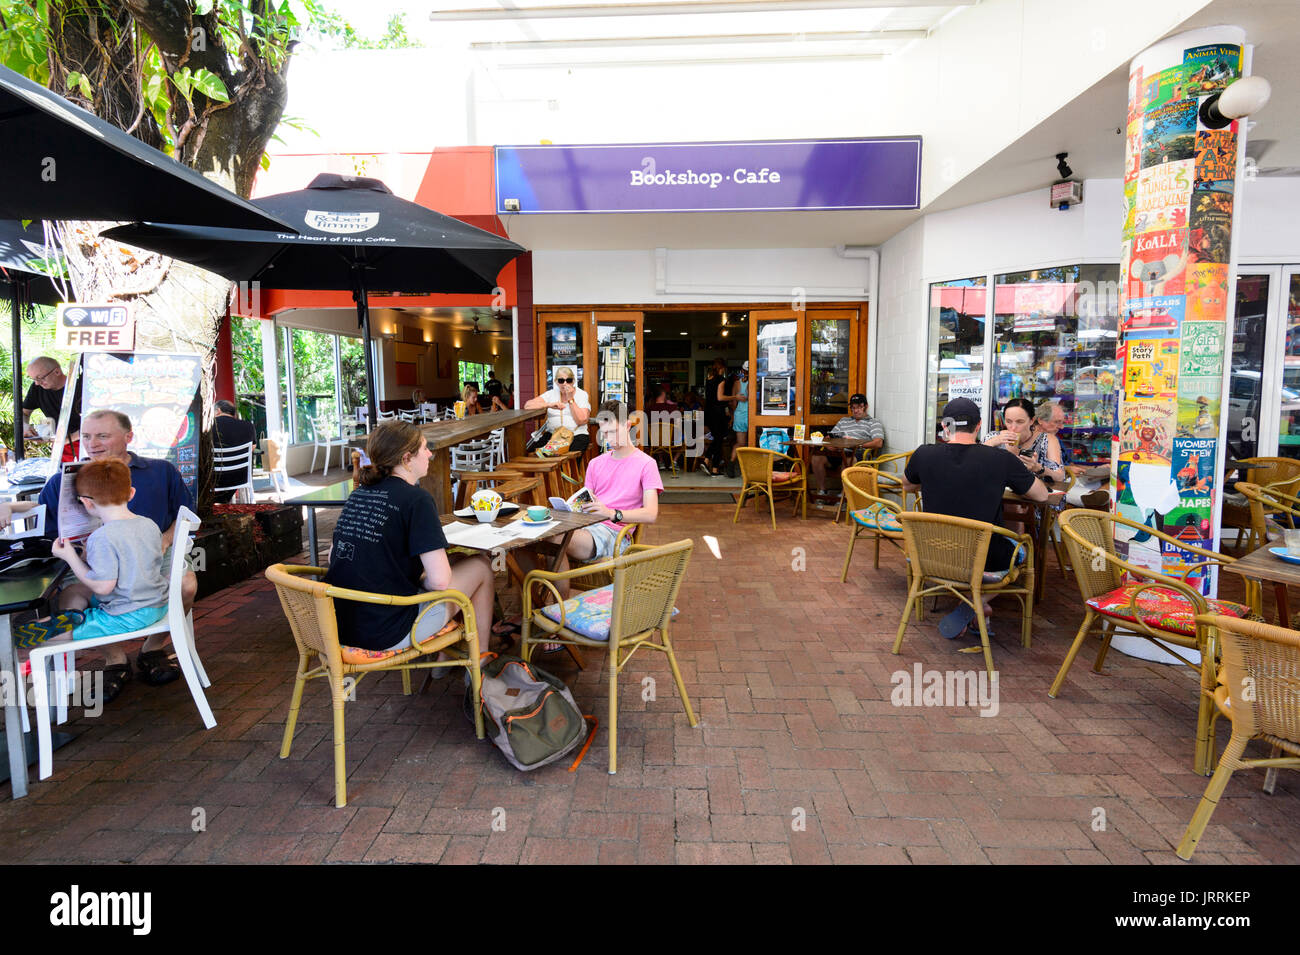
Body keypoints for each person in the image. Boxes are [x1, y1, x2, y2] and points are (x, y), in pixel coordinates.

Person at [1, 410, 197, 702]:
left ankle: (152, 649)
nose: (92, 443)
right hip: (93, 559)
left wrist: (165, 541)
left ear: (128, 437)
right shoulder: (63, 481)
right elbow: (44, 525)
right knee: (70, 595)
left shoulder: (160, 471)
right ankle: (115, 659)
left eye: (103, 435)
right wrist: (10, 507)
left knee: (186, 583)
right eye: (88, 436)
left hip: (152, 553)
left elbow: (186, 515)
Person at [323, 419, 496, 663]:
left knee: (457, 560)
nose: (430, 454)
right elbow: (440, 582)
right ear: (406, 459)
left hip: (341, 624)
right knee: (481, 566)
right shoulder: (417, 499)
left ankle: (444, 662)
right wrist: (423, 578)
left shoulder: (358, 494)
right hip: (387, 630)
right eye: (424, 448)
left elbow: (334, 558)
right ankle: (481, 661)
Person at [903, 397, 1049, 640]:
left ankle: (974, 605)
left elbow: (907, 485)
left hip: (932, 554)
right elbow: (1041, 495)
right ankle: (976, 602)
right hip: (986, 561)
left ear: (945, 426)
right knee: (1023, 549)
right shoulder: (1001, 460)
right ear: (979, 425)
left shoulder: (924, 453)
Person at [27, 460, 169, 652]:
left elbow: (102, 587)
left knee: (44, 636)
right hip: (156, 604)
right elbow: (129, 560)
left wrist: (71, 557)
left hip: (127, 614)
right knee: (74, 591)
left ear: (86, 502)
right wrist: (88, 555)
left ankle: (71, 626)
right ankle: (75, 619)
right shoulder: (148, 524)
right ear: (131, 493)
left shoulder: (102, 537)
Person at [810, 393, 885, 496]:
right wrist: (829, 445)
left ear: (866, 407)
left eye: (859, 407)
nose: (855, 410)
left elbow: (878, 443)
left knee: (849, 459)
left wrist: (856, 443)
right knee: (816, 457)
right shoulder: (844, 421)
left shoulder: (873, 422)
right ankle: (822, 491)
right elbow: (830, 437)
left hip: (857, 453)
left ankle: (845, 495)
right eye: (853, 408)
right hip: (838, 452)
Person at [23, 356, 82, 461]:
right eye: (34, 379)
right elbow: (24, 413)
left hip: (85, 443)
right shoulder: (37, 389)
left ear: (57, 372)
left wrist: (69, 439)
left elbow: (100, 421)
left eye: (40, 378)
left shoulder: (80, 387)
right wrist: (25, 426)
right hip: (61, 447)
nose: (37, 383)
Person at [524, 365, 591, 453]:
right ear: (556, 381)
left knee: (565, 459)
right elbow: (528, 405)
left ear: (574, 381)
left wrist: (570, 399)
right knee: (533, 453)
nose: (565, 384)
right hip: (553, 435)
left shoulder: (581, 394)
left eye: (569, 380)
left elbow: (582, 420)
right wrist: (549, 404)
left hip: (576, 435)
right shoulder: (551, 394)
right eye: (561, 380)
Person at [703, 358, 730, 476]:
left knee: (717, 440)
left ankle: (714, 468)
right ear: (722, 368)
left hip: (708, 413)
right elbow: (720, 397)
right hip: (718, 413)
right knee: (719, 439)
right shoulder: (721, 380)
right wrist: (734, 397)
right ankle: (708, 460)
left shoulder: (708, 380)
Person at [727, 362, 749, 478]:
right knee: (753, 442)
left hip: (740, 415)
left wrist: (734, 415)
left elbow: (733, 402)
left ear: (742, 370)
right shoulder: (755, 383)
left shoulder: (736, 383)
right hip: (751, 416)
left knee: (740, 443)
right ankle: (751, 469)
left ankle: (731, 464)